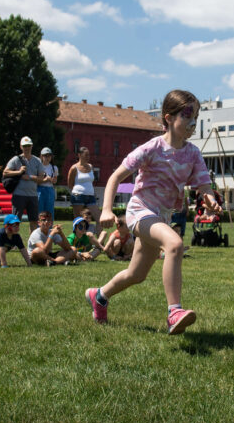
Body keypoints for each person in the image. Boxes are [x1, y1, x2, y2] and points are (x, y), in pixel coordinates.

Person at [84, 89, 219, 336]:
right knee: (175, 244)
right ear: (168, 117)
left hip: (162, 217)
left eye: (195, 118)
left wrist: (209, 199)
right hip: (140, 212)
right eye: (186, 116)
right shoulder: (151, 148)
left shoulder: (193, 153)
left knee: (136, 274)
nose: (192, 124)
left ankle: (99, 296)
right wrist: (105, 209)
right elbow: (115, 176)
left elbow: (204, 185)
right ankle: (174, 312)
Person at [3, 137, 45, 231]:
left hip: (33, 195)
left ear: (32, 146)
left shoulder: (37, 160)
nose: (27, 148)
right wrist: (18, 173)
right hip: (19, 194)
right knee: (15, 221)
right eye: (25, 146)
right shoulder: (16, 159)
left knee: (34, 221)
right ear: (21, 147)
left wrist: (29, 177)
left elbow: (41, 179)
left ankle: (32, 244)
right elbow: (5, 172)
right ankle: (13, 243)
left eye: (29, 146)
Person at [67, 146, 100, 224]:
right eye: (86, 155)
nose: (88, 157)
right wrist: (78, 191)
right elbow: (70, 184)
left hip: (91, 196)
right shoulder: (74, 168)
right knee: (78, 221)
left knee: (99, 218)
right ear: (79, 155)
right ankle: (76, 236)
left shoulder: (91, 166)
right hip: (78, 196)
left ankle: (99, 236)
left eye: (89, 155)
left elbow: (90, 182)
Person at [38, 147, 60, 217]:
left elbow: (55, 180)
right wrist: (45, 180)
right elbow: (36, 181)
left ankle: (50, 227)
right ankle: (39, 227)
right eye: (45, 155)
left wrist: (53, 180)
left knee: (50, 211)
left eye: (49, 155)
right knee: (40, 210)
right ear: (41, 156)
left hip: (50, 189)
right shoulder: (38, 167)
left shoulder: (54, 168)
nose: (47, 158)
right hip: (39, 189)